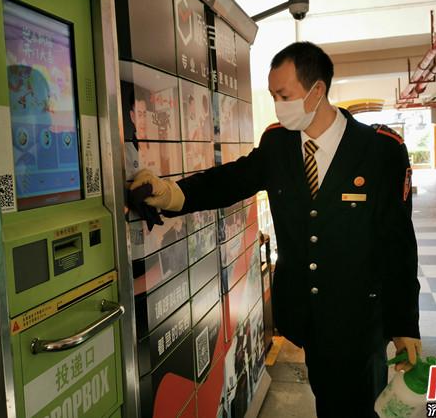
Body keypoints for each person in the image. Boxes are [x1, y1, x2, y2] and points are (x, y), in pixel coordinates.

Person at [130, 42, 421, 417]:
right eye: (273, 96)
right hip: (307, 315)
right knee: (328, 398)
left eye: (284, 95)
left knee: (358, 403)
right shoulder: (278, 143)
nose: (278, 105)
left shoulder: (380, 150)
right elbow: (231, 180)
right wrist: (172, 193)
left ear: (317, 90)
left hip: (358, 317)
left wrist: (404, 323)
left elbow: (398, 244)